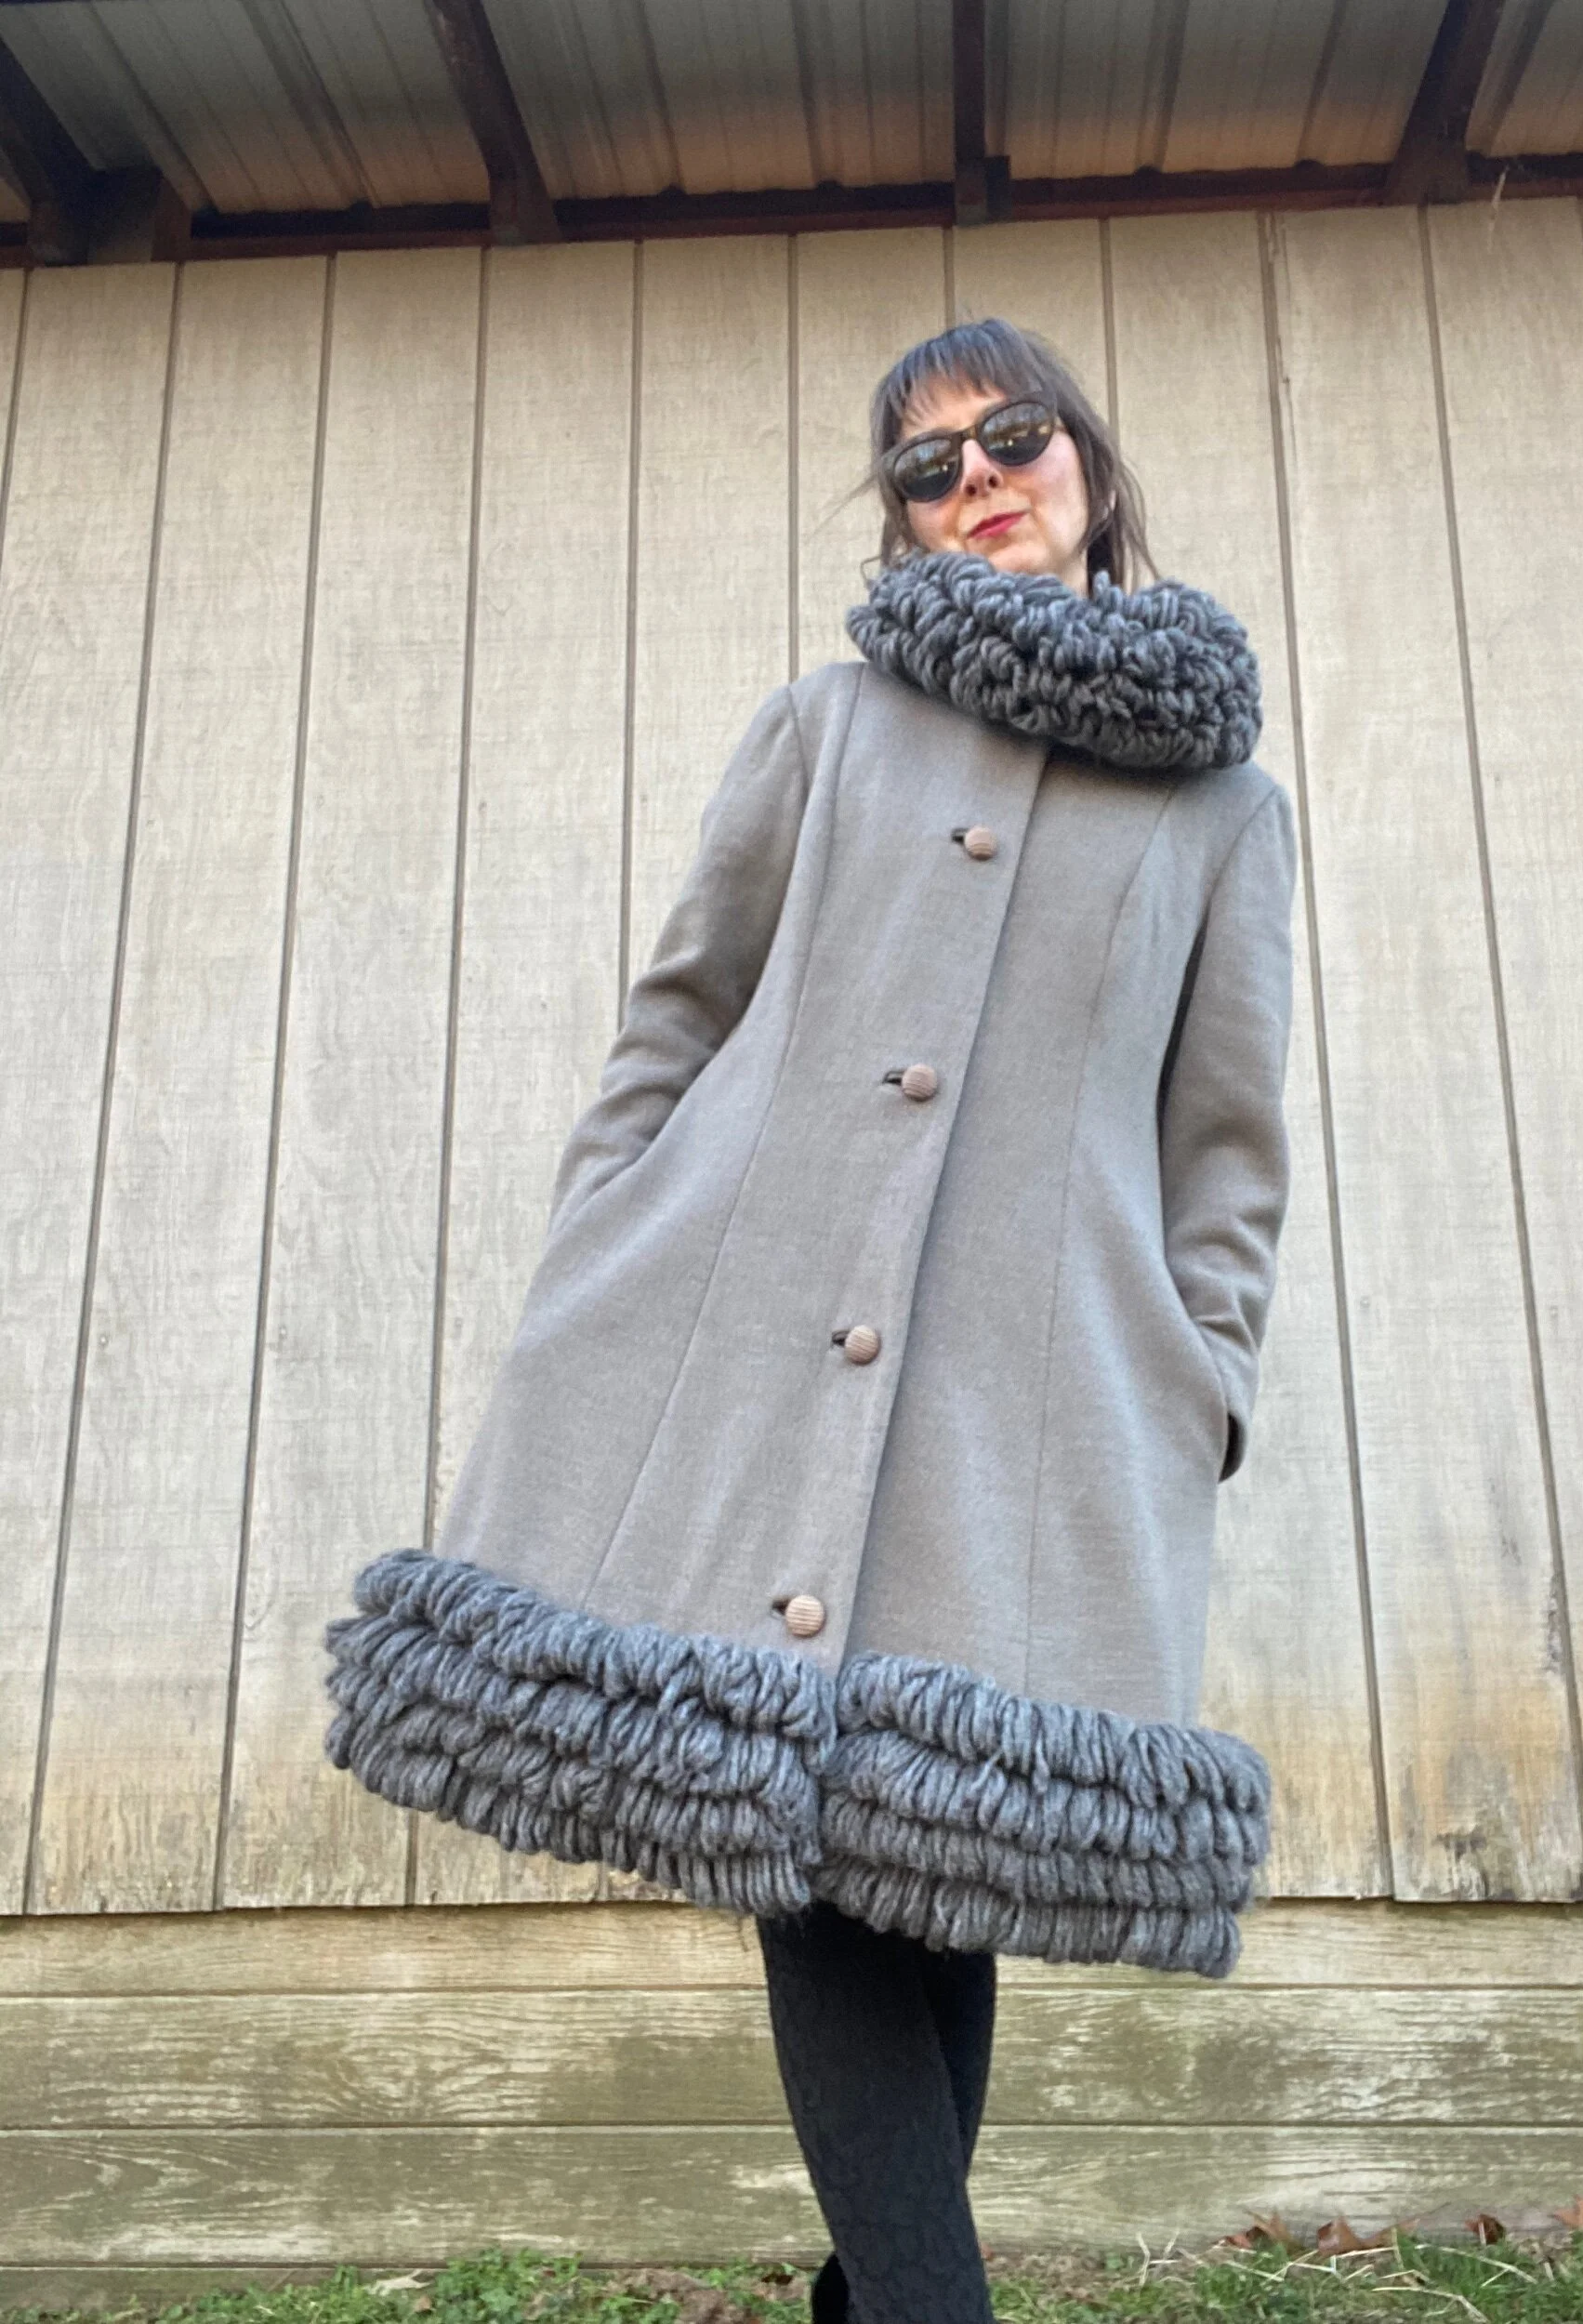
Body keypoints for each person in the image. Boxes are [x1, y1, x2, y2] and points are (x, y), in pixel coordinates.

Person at [325, 318, 1297, 2324]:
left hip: (1030, 1408)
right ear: (904, 517)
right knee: (811, 1844)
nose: (977, 479)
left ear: (1087, 458)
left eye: (1009, 435)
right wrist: (605, 1230)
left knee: (939, 1861)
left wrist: (1200, 1384)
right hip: (755, 1344)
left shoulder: (1223, 808)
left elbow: (1226, 1139)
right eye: (927, 466)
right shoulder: (825, 727)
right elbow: (680, 1012)